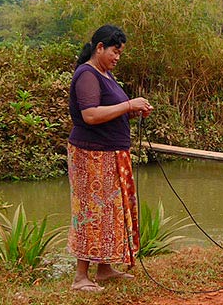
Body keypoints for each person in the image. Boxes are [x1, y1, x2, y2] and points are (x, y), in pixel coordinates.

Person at [66, 24, 153, 292]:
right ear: (99, 48)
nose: (117, 57)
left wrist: (132, 110)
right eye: (114, 51)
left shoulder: (106, 74)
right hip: (91, 154)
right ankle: (81, 277)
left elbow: (109, 109)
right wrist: (129, 105)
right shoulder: (87, 75)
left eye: (120, 53)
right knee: (91, 211)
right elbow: (91, 115)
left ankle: (104, 269)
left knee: (109, 211)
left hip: (110, 153)